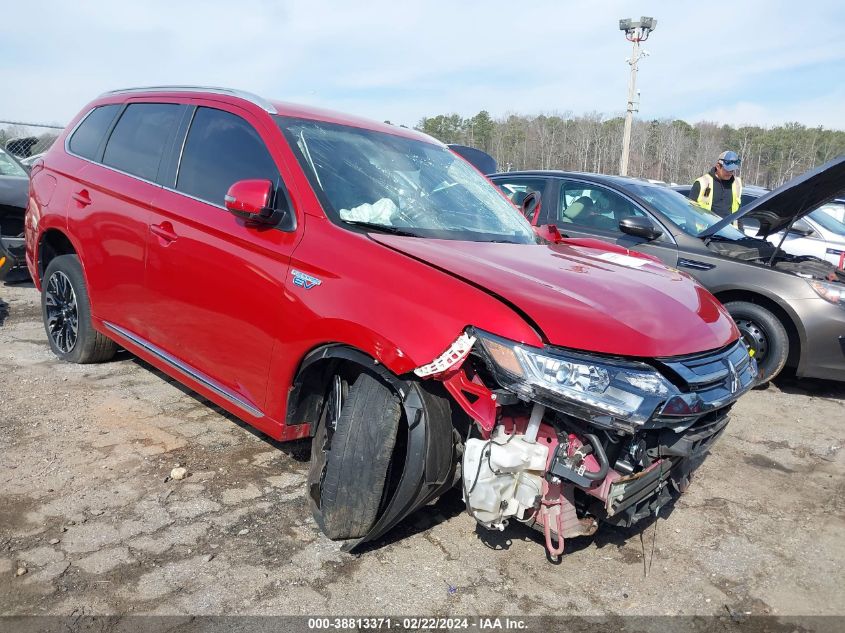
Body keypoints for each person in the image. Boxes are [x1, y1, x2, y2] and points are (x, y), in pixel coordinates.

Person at [689, 150, 742, 216]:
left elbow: (738, 213)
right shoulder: (702, 183)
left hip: (729, 226)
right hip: (708, 226)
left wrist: (739, 226)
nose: (730, 173)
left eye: (732, 170)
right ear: (718, 166)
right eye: (727, 170)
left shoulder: (736, 183)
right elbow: (689, 210)